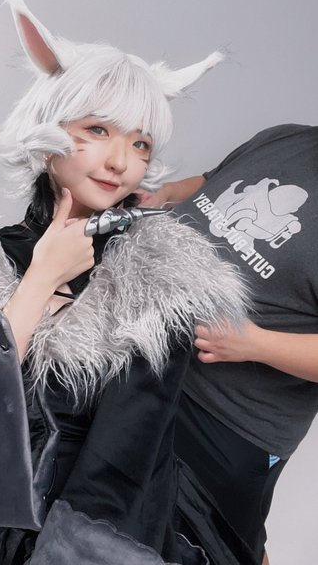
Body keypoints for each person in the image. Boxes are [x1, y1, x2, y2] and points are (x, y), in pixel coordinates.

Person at [0, 0, 247, 565]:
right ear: (47, 132)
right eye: (98, 130)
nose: (120, 160)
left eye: (140, 143)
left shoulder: (159, 281)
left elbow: (126, 459)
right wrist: (40, 280)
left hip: (102, 542)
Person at [142, 124, 318, 564]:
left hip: (229, 422)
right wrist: (165, 195)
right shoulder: (286, 137)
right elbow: (209, 185)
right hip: (151, 365)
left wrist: (254, 344)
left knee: (220, 549)